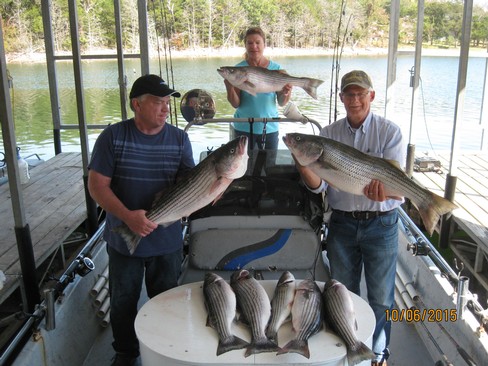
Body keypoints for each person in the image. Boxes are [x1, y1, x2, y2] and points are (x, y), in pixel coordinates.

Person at [294, 70, 404, 366]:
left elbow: (395, 187)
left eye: (360, 94)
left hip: (382, 224)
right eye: (348, 94)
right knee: (342, 293)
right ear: (341, 98)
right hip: (342, 222)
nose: (354, 100)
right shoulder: (327, 135)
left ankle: (379, 355)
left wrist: (389, 192)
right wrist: (304, 163)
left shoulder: (390, 132)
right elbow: (318, 186)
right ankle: (349, 352)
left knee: (382, 298)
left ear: (371, 96)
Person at [87, 74, 195, 366]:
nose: (166, 109)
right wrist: (127, 217)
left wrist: (212, 188)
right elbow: (97, 186)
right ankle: (126, 352)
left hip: (166, 240)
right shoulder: (113, 137)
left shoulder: (179, 138)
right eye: (158, 102)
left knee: (166, 299)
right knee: (123, 302)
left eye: (167, 103)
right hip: (123, 237)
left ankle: (165, 349)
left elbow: (189, 184)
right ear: (136, 104)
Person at [224, 26, 292, 150]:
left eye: (257, 43)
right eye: (249, 43)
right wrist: (230, 87)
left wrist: (286, 93)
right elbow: (235, 104)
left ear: (264, 44)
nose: (253, 46)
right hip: (243, 128)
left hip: (270, 127)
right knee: (243, 168)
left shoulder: (276, 69)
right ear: (245, 45)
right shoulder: (238, 69)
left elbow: (282, 102)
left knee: (269, 167)